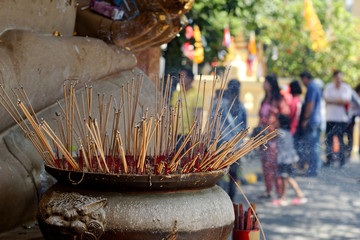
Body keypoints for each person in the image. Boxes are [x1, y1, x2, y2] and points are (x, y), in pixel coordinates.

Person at [258, 74, 290, 199]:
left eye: (265, 82)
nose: (263, 85)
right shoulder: (265, 99)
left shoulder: (279, 100)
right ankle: (268, 190)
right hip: (263, 136)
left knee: (274, 164)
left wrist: (274, 126)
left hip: (274, 137)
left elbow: (285, 116)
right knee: (265, 164)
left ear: (271, 84)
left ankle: (279, 191)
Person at [214, 79, 247, 201]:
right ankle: (230, 200)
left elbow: (213, 124)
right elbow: (245, 128)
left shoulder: (218, 104)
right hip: (234, 146)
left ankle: (221, 200)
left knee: (219, 174)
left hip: (222, 144)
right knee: (232, 175)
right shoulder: (241, 106)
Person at [272, 114, 307, 206]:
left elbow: (269, 138)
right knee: (288, 177)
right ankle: (299, 195)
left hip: (284, 159)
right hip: (290, 158)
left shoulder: (279, 132)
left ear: (280, 123)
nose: (274, 122)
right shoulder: (288, 132)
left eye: (276, 121)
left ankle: (283, 198)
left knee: (285, 178)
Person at [323, 70, 353, 168]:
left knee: (340, 139)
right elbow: (326, 99)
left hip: (341, 118)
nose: (339, 80)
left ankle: (342, 160)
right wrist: (338, 101)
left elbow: (346, 100)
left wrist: (333, 100)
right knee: (329, 140)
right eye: (337, 78)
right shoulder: (328, 87)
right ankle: (329, 160)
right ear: (334, 78)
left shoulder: (346, 88)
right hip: (330, 117)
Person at [295, 71, 322, 176]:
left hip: (312, 120)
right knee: (315, 145)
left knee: (312, 146)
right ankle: (314, 168)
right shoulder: (316, 86)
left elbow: (310, 104)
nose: (302, 83)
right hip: (317, 120)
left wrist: (305, 119)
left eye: (302, 80)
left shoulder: (311, 87)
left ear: (305, 78)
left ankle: (313, 170)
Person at [170, 69, 203, 149]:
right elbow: (171, 110)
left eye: (183, 77)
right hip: (173, 132)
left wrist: (196, 133)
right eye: (179, 77)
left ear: (190, 79)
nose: (180, 79)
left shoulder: (197, 95)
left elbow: (198, 116)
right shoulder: (176, 94)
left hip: (187, 134)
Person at [343, 84, 360, 162]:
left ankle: (347, 153)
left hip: (350, 117)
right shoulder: (353, 94)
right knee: (348, 136)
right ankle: (346, 153)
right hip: (348, 117)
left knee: (349, 136)